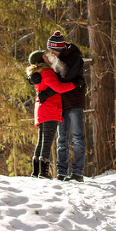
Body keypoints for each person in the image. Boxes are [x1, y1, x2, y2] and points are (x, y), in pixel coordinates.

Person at [26, 49, 75, 179]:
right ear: (40, 60)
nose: (47, 57)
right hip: (50, 110)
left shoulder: (41, 72)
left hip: (43, 110)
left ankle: (36, 172)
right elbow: (58, 87)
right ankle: (43, 173)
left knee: (42, 141)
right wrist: (74, 85)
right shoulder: (47, 72)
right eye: (44, 56)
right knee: (46, 142)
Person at [45, 31, 86, 182]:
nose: (50, 52)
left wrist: (51, 84)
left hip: (74, 102)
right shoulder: (54, 59)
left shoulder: (75, 58)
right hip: (60, 103)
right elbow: (46, 75)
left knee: (77, 138)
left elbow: (64, 78)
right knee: (62, 139)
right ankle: (62, 172)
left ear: (59, 48)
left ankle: (77, 173)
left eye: (52, 49)